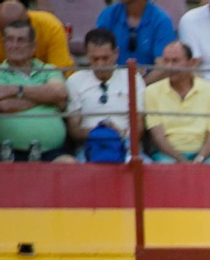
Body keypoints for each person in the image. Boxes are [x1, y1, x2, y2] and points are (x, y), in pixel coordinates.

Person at [66, 27, 145, 159]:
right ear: (86, 55)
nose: (100, 64)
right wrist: (103, 132)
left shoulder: (133, 78)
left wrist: (118, 134)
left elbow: (139, 124)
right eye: (95, 59)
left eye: (105, 58)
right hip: (90, 147)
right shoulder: (75, 80)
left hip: (126, 146)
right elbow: (74, 130)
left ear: (116, 53)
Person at [0, 17, 69, 160]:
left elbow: (60, 93)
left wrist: (17, 90)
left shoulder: (49, 69)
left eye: (21, 40)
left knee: (71, 164)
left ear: (33, 46)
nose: (14, 45)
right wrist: (47, 99)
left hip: (53, 153)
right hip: (9, 155)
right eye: (10, 40)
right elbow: (4, 105)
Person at [145, 40, 210, 161]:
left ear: (192, 63)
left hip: (203, 155)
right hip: (167, 155)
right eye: (166, 61)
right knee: (165, 168)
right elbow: (158, 137)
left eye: (175, 61)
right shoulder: (151, 92)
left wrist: (199, 159)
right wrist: (182, 162)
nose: (169, 67)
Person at [95, 0, 178, 71]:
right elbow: (97, 55)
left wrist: (138, 86)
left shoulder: (162, 21)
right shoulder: (107, 15)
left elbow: (162, 68)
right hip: (113, 83)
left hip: (149, 85)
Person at [0, 1, 69, 69]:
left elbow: (61, 69)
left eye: (21, 39)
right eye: (9, 38)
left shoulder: (50, 26)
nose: (14, 45)